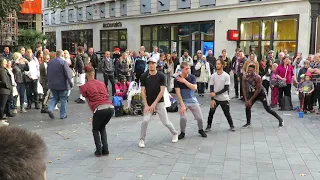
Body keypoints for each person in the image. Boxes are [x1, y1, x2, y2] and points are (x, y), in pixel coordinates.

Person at [139, 57, 178, 148]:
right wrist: (146, 105)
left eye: (153, 63)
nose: (151, 65)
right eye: (149, 63)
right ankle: (142, 139)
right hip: (148, 102)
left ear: (156, 64)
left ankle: (175, 133)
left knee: (166, 122)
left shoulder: (161, 76)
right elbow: (143, 91)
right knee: (145, 121)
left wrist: (154, 104)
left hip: (159, 102)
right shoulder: (144, 76)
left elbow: (162, 91)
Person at [79, 66, 114, 157]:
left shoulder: (84, 87)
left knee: (95, 129)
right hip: (110, 107)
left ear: (86, 75)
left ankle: (99, 151)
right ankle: (105, 149)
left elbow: (88, 100)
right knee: (102, 126)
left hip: (99, 108)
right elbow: (106, 95)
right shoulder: (102, 83)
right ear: (94, 73)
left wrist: (94, 113)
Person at [174, 62, 207, 139]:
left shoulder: (192, 77)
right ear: (182, 69)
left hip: (192, 100)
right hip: (182, 100)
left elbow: (194, 88)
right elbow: (178, 93)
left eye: (188, 68)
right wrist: (182, 105)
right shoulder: (177, 79)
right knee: (183, 118)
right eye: (186, 69)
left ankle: (201, 129)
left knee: (199, 117)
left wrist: (185, 81)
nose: (188, 70)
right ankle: (182, 132)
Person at [205, 59, 235, 132]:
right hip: (215, 98)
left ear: (222, 65)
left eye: (218, 64)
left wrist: (216, 93)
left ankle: (231, 125)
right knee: (211, 112)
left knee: (227, 113)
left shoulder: (226, 75)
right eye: (216, 64)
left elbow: (226, 88)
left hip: (224, 98)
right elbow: (211, 87)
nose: (217, 65)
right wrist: (212, 99)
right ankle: (208, 126)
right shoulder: (213, 76)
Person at [47, 50, 73, 119]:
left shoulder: (50, 62)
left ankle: (50, 108)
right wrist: (70, 83)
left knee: (55, 97)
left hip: (52, 84)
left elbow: (48, 73)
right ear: (62, 55)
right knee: (63, 99)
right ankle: (62, 114)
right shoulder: (63, 62)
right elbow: (67, 74)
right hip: (62, 84)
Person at [0, 58, 11, 125]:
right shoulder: (2, 70)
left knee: (2, 105)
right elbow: (4, 81)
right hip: (3, 90)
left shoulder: (4, 70)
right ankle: (1, 120)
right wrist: (8, 86)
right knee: (2, 106)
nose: (6, 63)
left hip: (4, 90)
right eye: (5, 62)